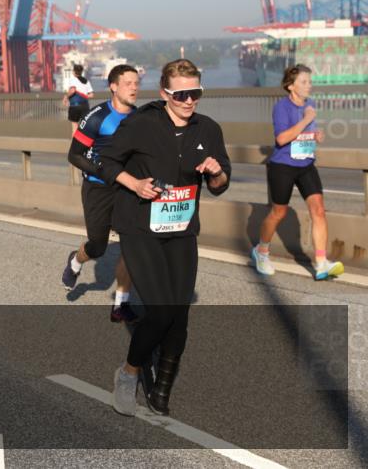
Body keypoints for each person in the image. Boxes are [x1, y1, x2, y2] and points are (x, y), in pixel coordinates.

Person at [99, 59, 230, 417]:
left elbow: (220, 185)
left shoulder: (208, 130)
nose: (189, 101)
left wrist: (216, 173)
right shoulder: (141, 123)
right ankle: (128, 373)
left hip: (182, 230)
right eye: (181, 94)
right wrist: (135, 184)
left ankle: (162, 389)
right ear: (164, 93)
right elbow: (105, 161)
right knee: (159, 312)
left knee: (179, 314)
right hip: (140, 227)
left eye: (196, 93)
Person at [61, 64, 140, 323]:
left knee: (132, 244)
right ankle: (76, 260)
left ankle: (120, 305)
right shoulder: (96, 116)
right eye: (128, 83)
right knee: (97, 246)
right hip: (98, 187)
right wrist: (105, 172)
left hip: (126, 188)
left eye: (136, 83)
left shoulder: (140, 119)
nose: (134, 87)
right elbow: (74, 155)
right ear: (113, 87)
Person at [253, 64, 343, 281]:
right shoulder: (281, 108)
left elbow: (305, 134)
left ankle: (321, 263)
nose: (309, 86)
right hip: (283, 167)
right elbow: (282, 139)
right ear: (291, 86)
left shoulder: (309, 104)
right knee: (279, 213)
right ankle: (261, 251)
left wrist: (316, 135)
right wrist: (306, 119)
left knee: (319, 210)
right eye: (304, 82)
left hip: (306, 165)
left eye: (310, 81)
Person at [63, 64, 94, 133]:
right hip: (85, 106)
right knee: (85, 126)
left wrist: (66, 97)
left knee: (74, 126)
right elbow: (91, 95)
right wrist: (84, 96)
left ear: (73, 72)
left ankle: (75, 143)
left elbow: (73, 90)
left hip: (74, 106)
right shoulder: (86, 81)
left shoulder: (73, 80)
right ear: (82, 71)